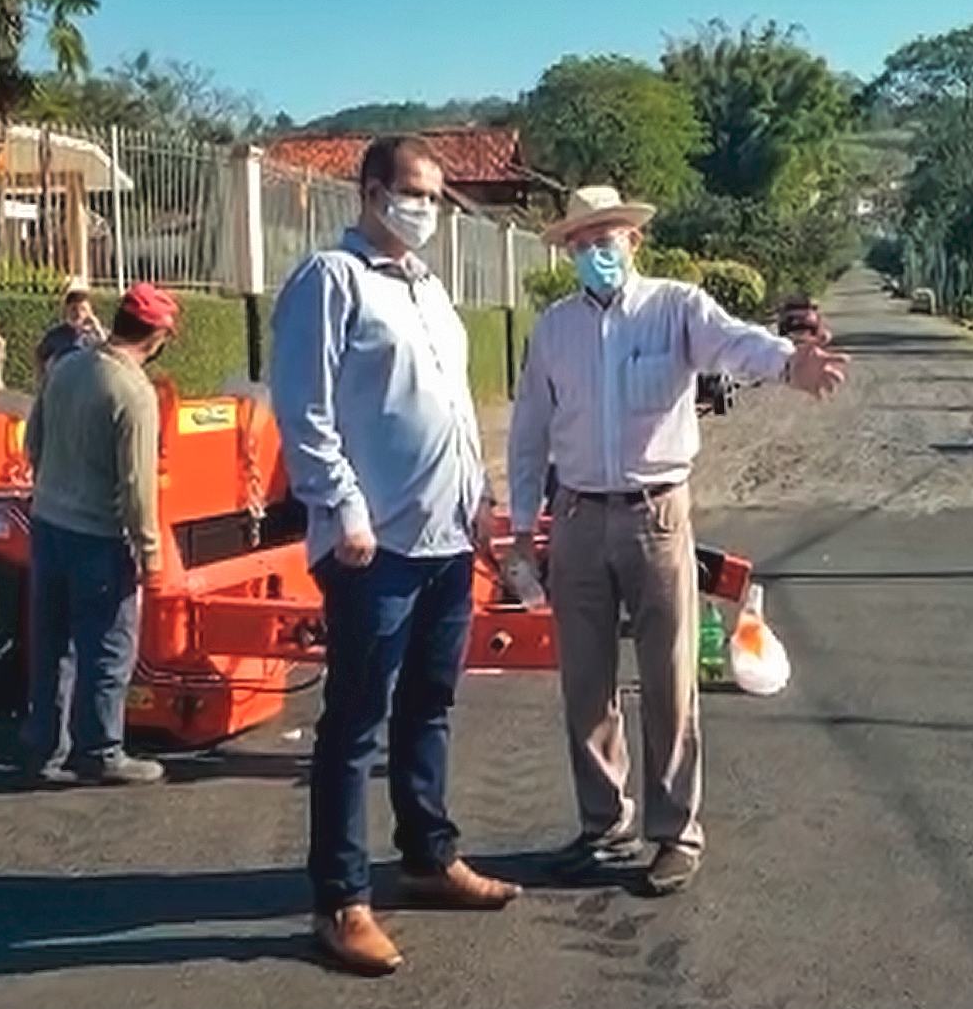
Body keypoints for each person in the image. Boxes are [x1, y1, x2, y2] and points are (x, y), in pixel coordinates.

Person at [506, 185, 849, 897]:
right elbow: (529, 432)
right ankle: (603, 826)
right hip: (574, 518)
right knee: (585, 683)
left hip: (655, 515)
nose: (597, 250)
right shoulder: (554, 330)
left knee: (669, 680)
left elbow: (735, 343)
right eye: (583, 240)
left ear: (634, 242)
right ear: (567, 250)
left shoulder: (677, 309)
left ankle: (675, 834)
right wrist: (519, 530)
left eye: (610, 237)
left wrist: (791, 362)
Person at [269, 135, 521, 977]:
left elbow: (452, 409)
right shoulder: (330, 280)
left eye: (436, 196)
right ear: (371, 191)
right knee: (352, 724)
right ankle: (341, 901)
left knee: (432, 704)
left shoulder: (430, 291)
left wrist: (482, 495)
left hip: (447, 536)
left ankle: (426, 856)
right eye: (414, 191)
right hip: (372, 545)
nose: (427, 208)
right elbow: (303, 410)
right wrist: (340, 505)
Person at [19, 281, 180, 788]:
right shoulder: (133, 391)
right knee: (108, 646)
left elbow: (33, 441)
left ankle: (44, 746)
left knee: (52, 642)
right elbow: (137, 486)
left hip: (48, 526)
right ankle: (102, 750)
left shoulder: (67, 366)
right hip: (99, 538)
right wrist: (151, 555)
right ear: (157, 338)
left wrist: (55, 489)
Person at [35, 284, 108, 378]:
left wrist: (97, 328)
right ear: (66, 310)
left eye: (83, 309)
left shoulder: (97, 336)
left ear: (91, 312)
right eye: (74, 309)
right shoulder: (55, 336)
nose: (79, 314)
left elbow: (110, 357)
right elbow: (40, 356)